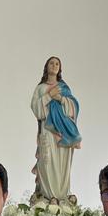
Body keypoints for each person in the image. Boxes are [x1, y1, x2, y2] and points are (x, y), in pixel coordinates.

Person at [30, 56, 81, 202]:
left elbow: (73, 108)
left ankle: (62, 194)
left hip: (63, 131)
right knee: (48, 161)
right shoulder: (40, 88)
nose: (54, 65)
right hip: (48, 130)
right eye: (51, 63)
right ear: (46, 67)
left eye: (57, 63)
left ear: (60, 68)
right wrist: (48, 96)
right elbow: (36, 109)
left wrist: (61, 99)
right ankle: (48, 195)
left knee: (62, 162)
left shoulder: (64, 88)